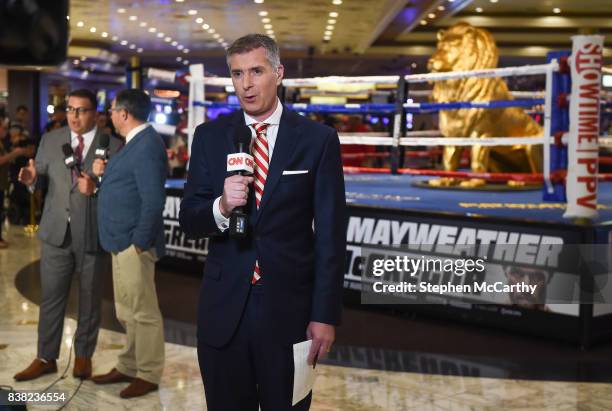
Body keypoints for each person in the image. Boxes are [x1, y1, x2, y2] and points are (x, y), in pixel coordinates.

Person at [179, 34, 346, 411]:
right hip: (224, 313)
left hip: (290, 313)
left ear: (278, 73)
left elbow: (332, 237)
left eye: (256, 71)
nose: (247, 83)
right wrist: (221, 206)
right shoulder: (209, 137)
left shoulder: (317, 140)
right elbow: (190, 217)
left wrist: (325, 314)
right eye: (238, 74)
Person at [13, 89, 121, 382]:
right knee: (51, 298)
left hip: (93, 233)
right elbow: (40, 177)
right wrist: (33, 181)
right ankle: (45, 357)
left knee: (89, 299)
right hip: (56, 232)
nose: (74, 116)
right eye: (70, 109)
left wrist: (98, 188)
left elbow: (121, 193)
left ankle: (83, 356)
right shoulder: (50, 140)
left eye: (81, 110)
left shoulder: (112, 145)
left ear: (95, 115)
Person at [80, 89, 167, 399]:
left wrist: (140, 243)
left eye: (113, 110)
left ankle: (148, 372)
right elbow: (127, 189)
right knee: (127, 311)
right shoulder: (133, 144)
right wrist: (102, 178)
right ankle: (130, 365)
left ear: (125, 114)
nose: (110, 114)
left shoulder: (146, 146)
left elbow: (154, 200)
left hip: (134, 243)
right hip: (120, 240)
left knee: (143, 312)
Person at [0, 122, 30, 248]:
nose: (6, 130)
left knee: (1, 211)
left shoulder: (3, 142)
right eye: (3, 128)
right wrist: (15, 153)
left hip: (2, 183)